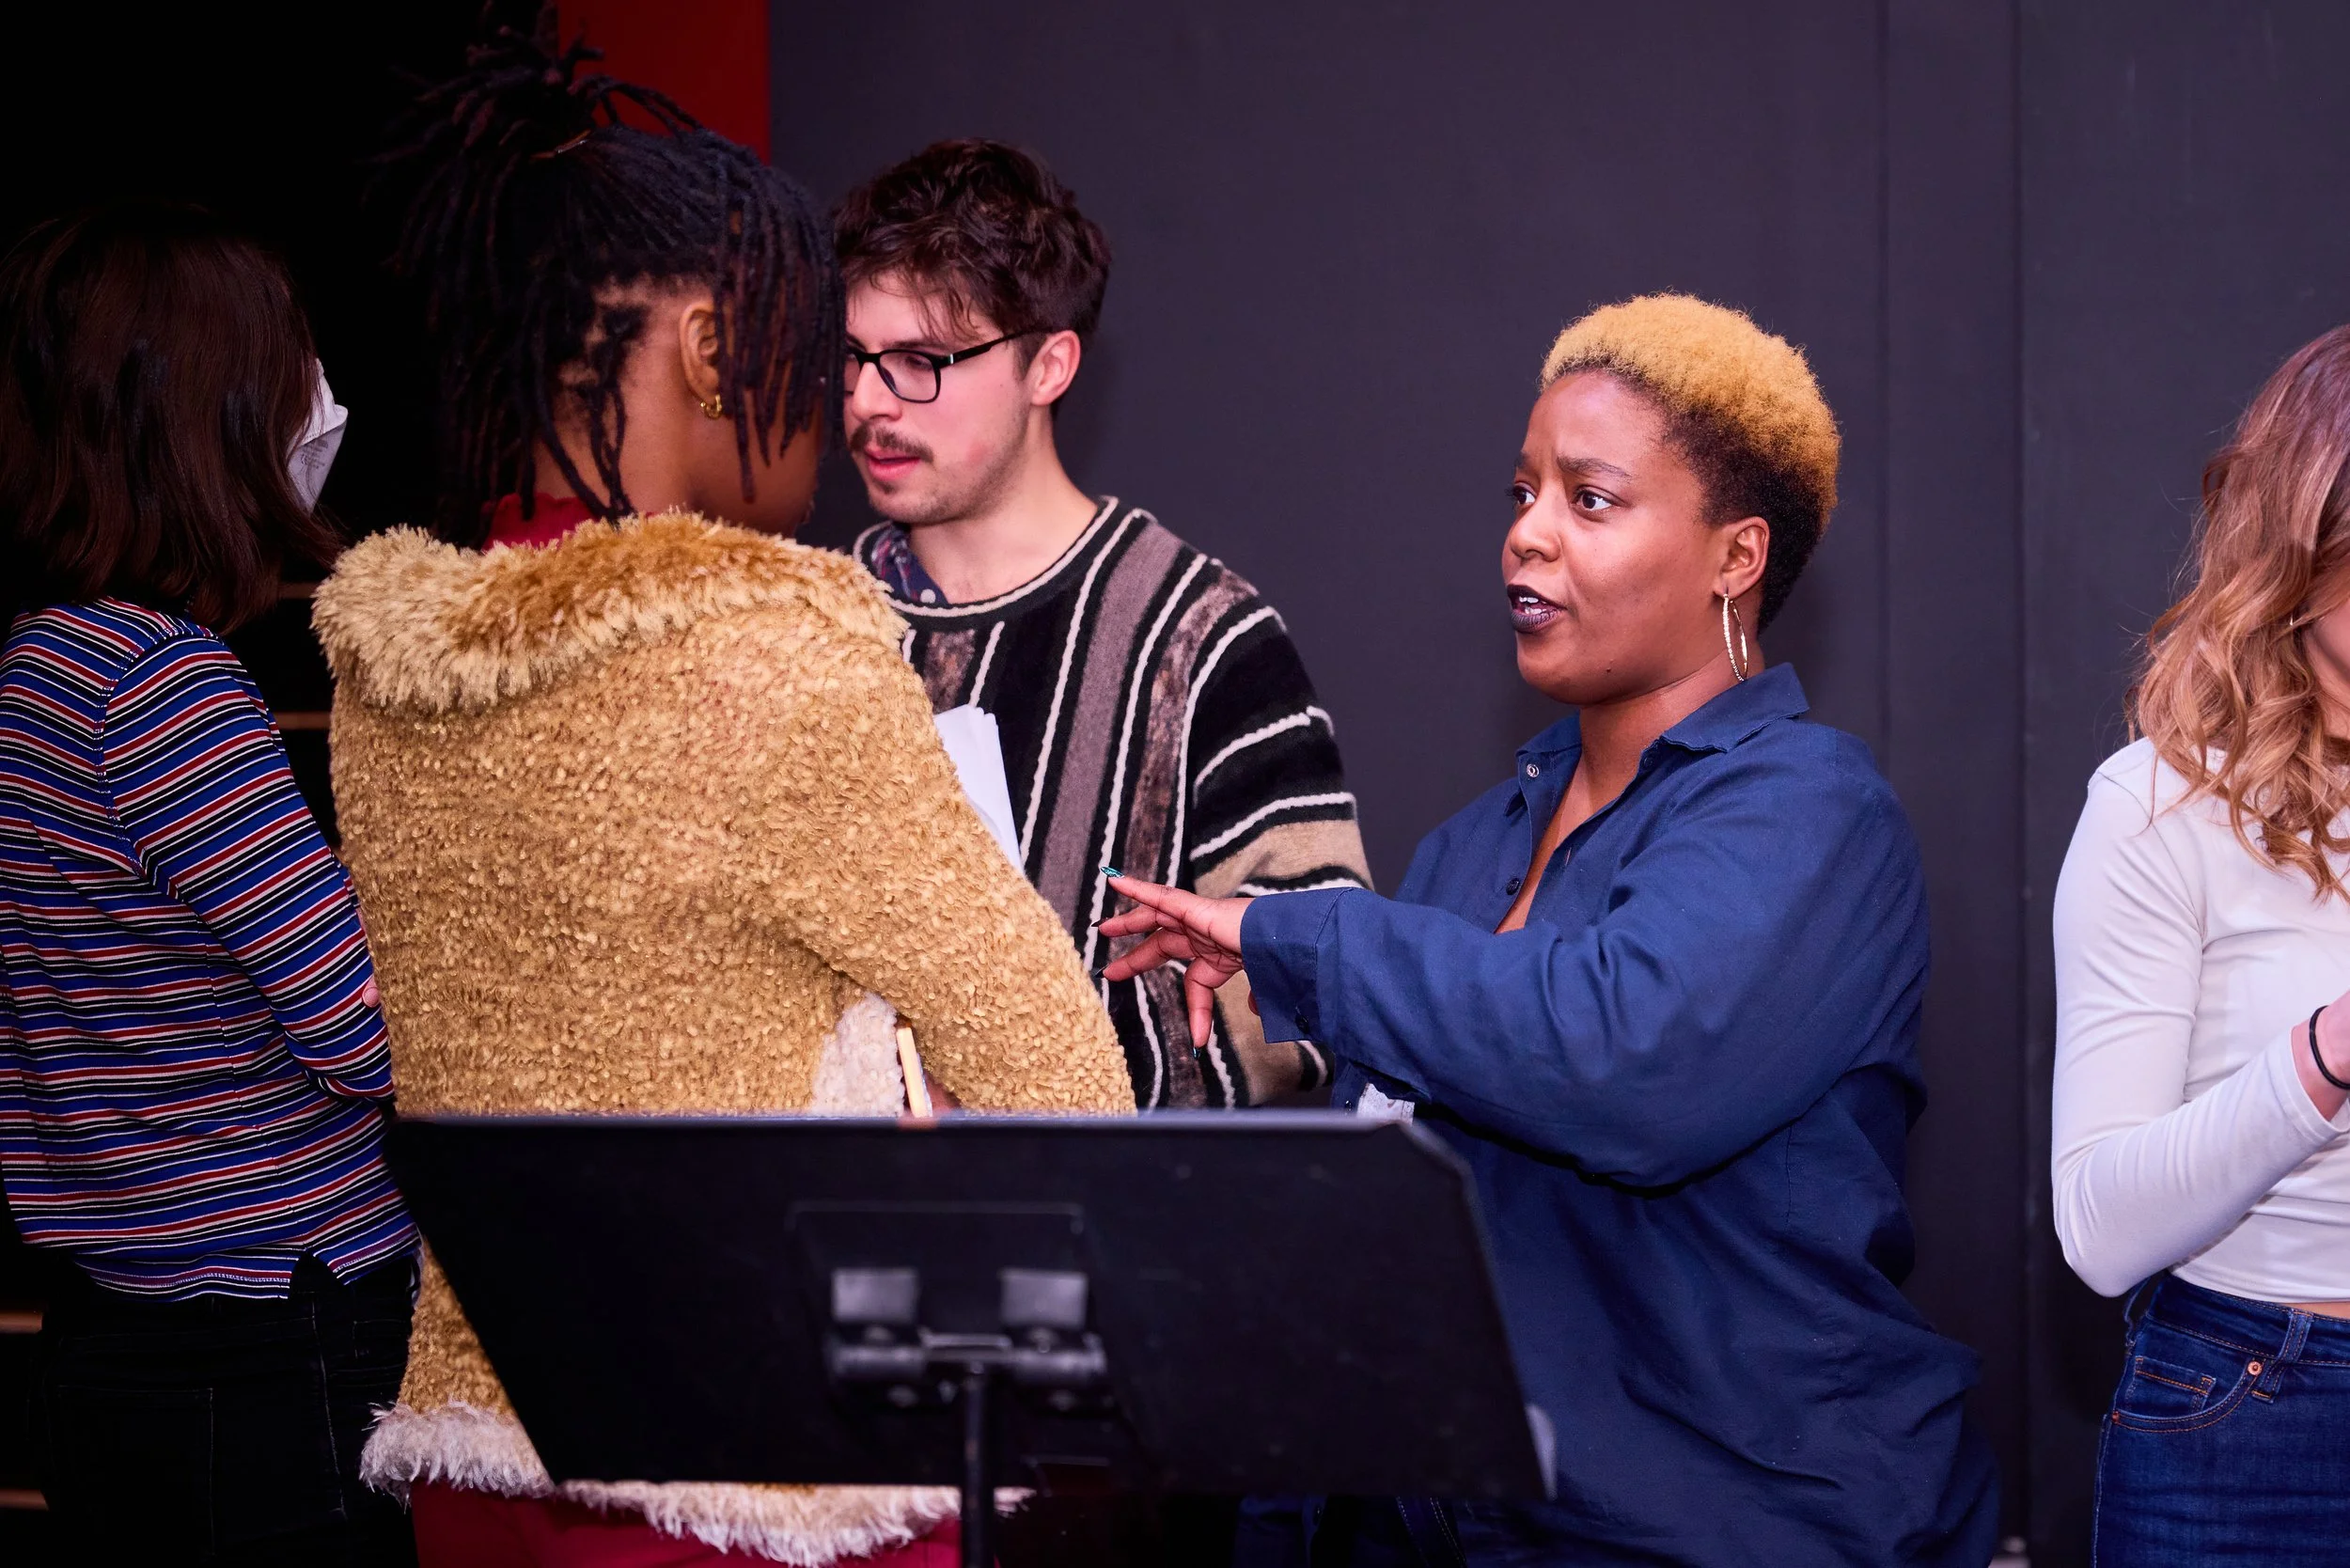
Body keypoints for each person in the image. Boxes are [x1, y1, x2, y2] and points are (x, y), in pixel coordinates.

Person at [321, 24, 1131, 1568]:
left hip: (489, 1460)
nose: (830, 419)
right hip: (765, 1473)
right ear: (707, 347)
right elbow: (1060, 1083)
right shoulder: (778, 652)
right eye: (810, 358)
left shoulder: (387, 672)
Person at [1098, 294, 1999, 1565]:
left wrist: (1304, 939)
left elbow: (1621, 1059)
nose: (1527, 534)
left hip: (1733, 1528)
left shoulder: (1812, 811)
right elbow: (1382, 1233)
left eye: (1591, 500)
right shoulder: (1470, 850)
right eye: (1523, 492)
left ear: (1736, 557)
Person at [0, 203, 415, 1563]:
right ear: (211, 417)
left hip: (115, 1327)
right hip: (273, 1335)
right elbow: (365, 1034)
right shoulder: (161, 688)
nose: (319, 400)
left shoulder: (43, 661)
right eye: (290, 362)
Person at [835, 140, 1371, 1109]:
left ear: (1049, 364)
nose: (870, 400)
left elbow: (1322, 982)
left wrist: (1026, 1094)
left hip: (1103, 1202)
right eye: (855, 357)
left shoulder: (1201, 638)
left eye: (921, 362)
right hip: (821, 1200)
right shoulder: (804, 627)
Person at [2053, 325, 2350, 1565]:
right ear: (2304, 541)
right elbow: (2099, 1231)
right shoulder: (2161, 807)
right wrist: (2325, 1056)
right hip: (2253, 1415)